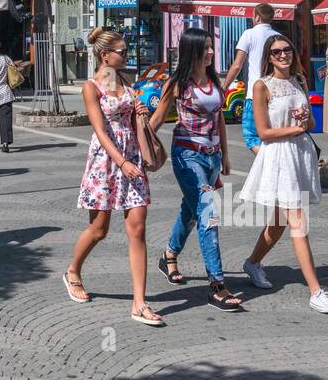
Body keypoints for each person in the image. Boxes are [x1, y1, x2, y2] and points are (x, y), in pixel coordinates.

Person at [64, 27, 163, 327]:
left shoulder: (125, 81)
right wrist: (120, 162)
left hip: (131, 155)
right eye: (122, 51)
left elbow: (132, 120)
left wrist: (140, 111)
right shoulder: (91, 87)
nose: (126, 54)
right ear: (105, 55)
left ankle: (139, 303)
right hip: (107, 161)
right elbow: (99, 129)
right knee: (99, 230)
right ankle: (73, 272)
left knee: (138, 229)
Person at [240, 34, 328, 314]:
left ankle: (252, 263)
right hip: (280, 156)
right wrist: (295, 129)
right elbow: (263, 132)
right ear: (268, 58)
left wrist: (302, 120)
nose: (282, 55)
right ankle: (315, 291)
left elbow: (310, 122)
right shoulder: (262, 86)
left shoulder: (300, 81)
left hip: (299, 154)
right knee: (297, 221)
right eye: (275, 52)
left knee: (280, 222)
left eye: (286, 50)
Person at [149, 28, 241, 311]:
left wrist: (225, 155)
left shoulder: (213, 79)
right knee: (208, 215)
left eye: (212, 48)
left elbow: (220, 120)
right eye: (206, 49)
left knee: (190, 211)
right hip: (187, 156)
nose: (211, 53)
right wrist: (133, 152)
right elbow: (156, 120)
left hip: (211, 158)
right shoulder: (177, 83)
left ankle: (168, 255)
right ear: (193, 51)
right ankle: (216, 285)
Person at [223, 4, 282, 150]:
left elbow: (237, 65)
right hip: (276, 93)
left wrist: (224, 87)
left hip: (255, 94)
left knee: (251, 136)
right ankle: (269, 166)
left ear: (256, 17)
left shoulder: (249, 34)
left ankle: (268, 164)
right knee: (271, 135)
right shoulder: (278, 37)